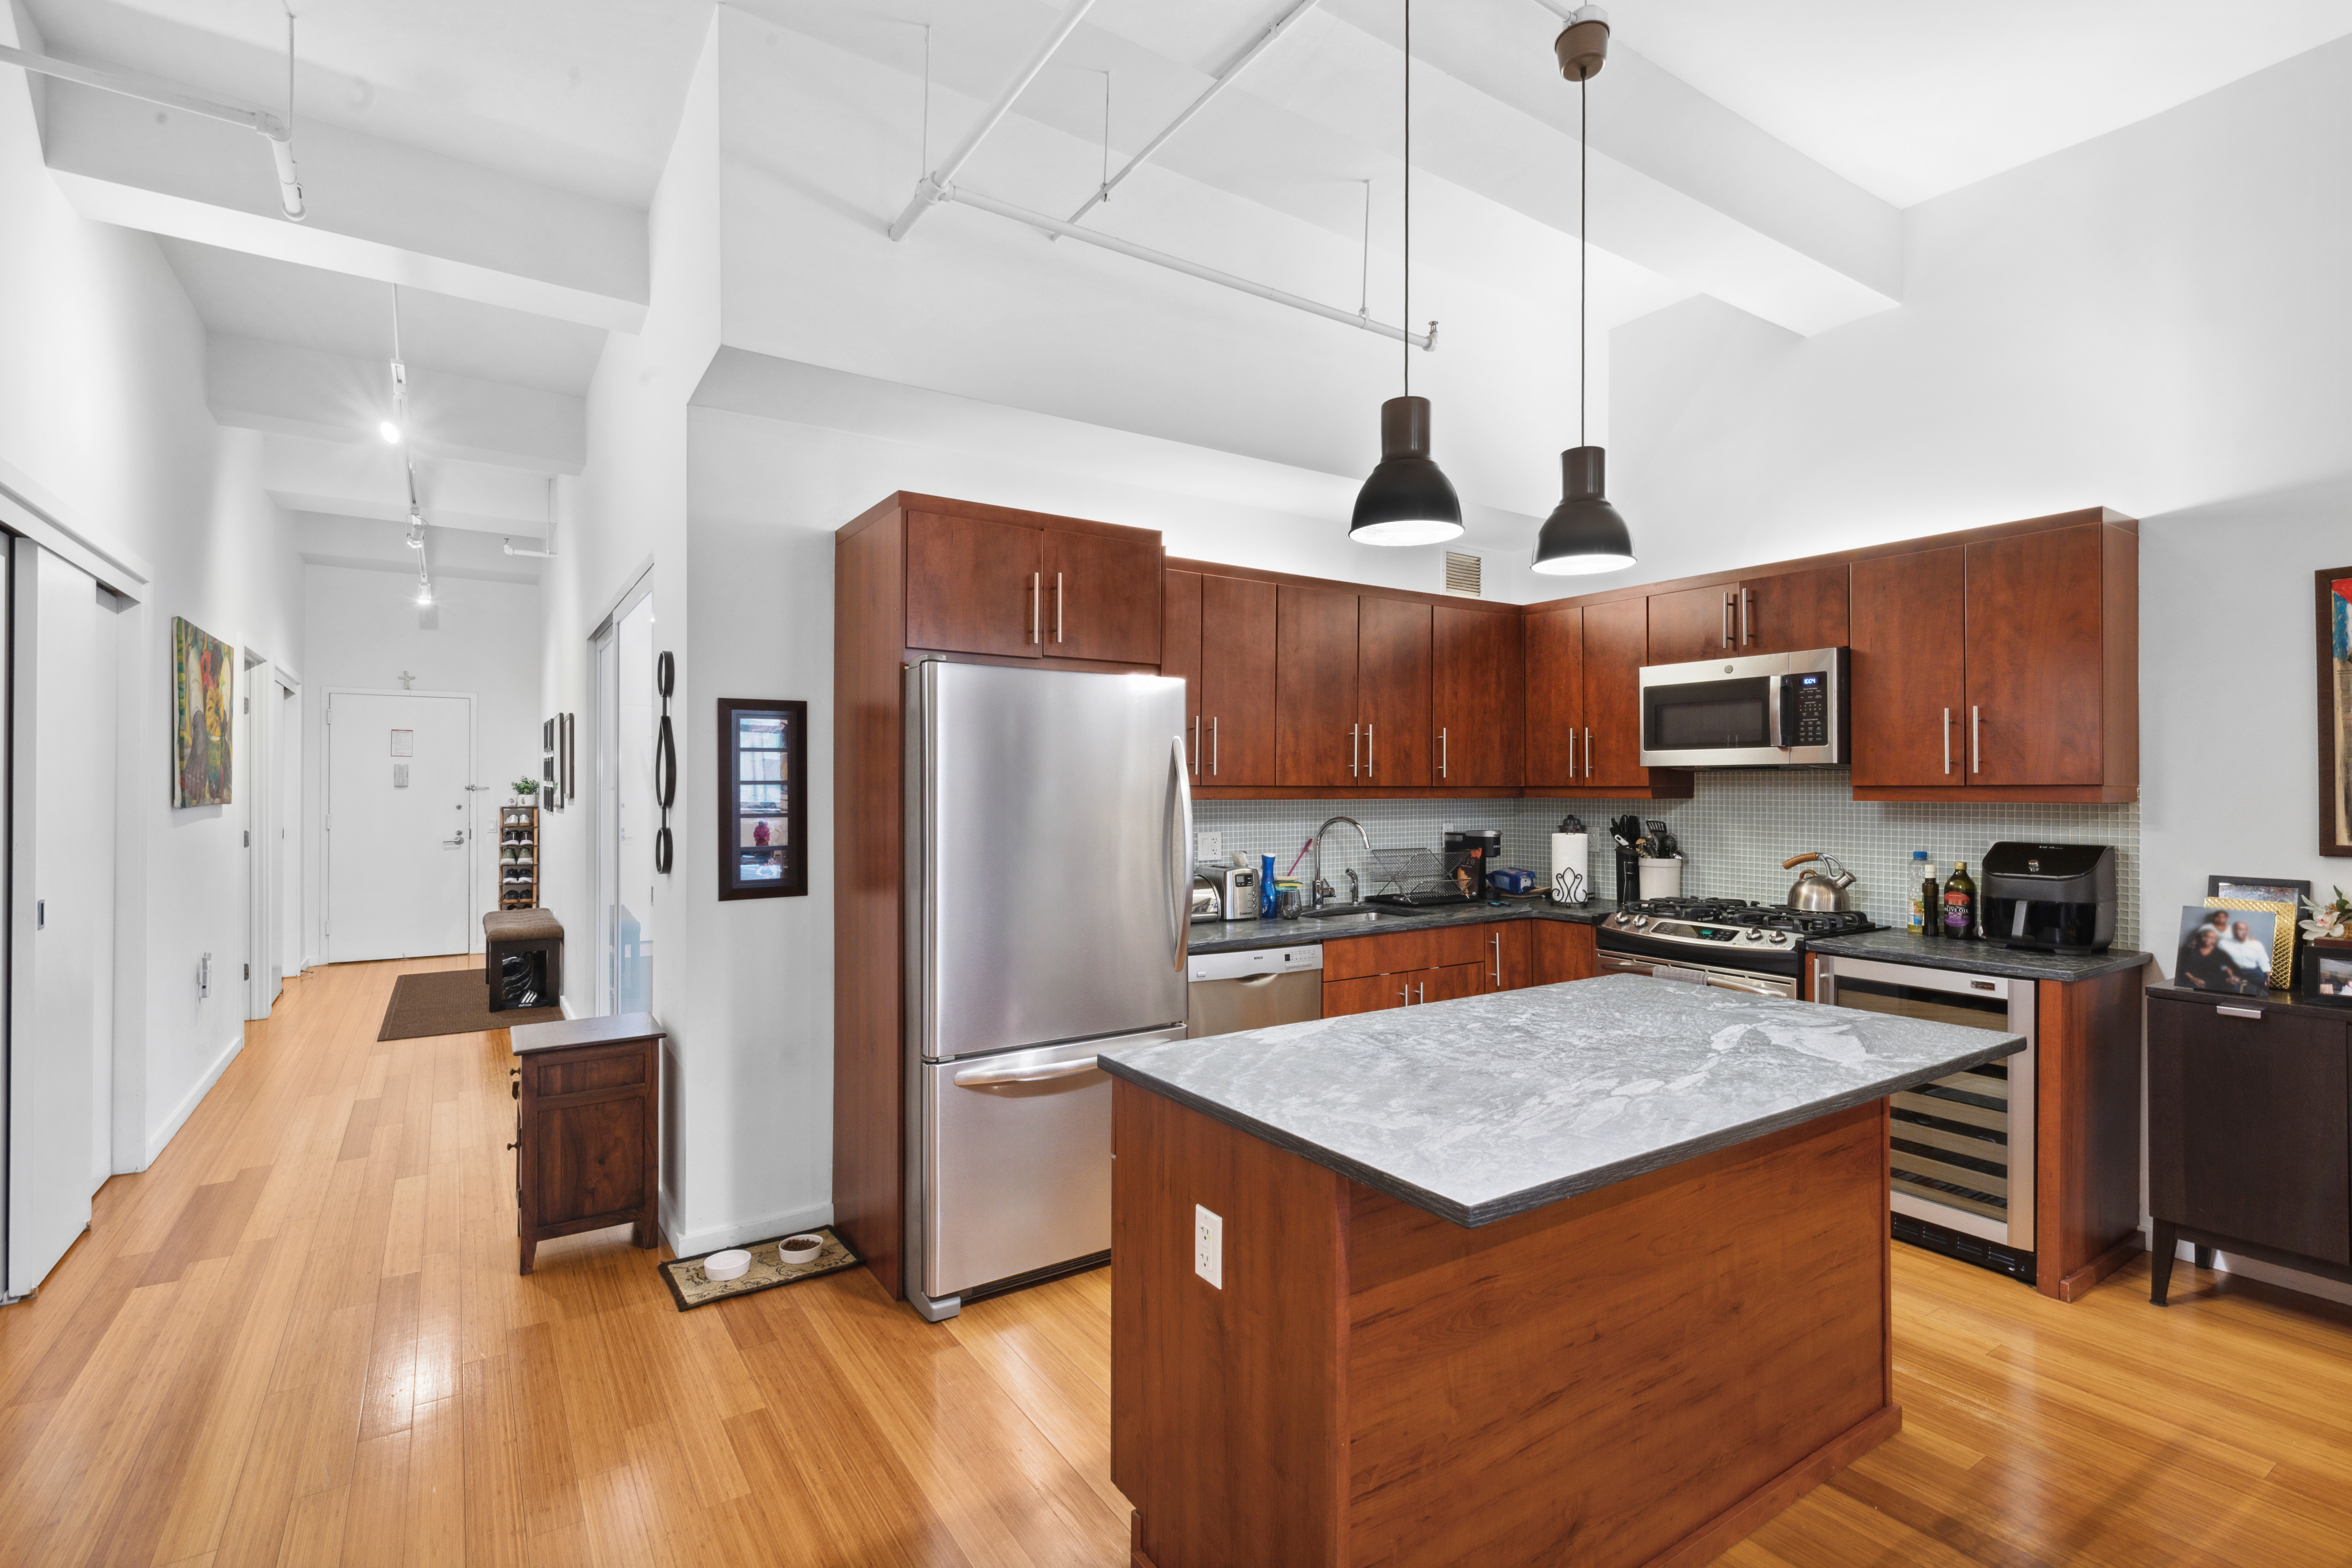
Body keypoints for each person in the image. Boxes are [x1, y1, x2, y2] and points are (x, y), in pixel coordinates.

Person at [2176, 926, 2240, 993]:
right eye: (2206, 937)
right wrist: (2193, 979)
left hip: (2213, 981)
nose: (2208, 940)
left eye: (2213, 938)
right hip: (2192, 979)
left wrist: (2231, 977)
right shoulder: (2190, 950)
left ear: (2216, 940)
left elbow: (2227, 966)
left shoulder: (2219, 953)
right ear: (2201, 937)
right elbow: (2183, 968)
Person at [2219, 918, 2272, 989]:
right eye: (2238, 929)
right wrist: (2231, 976)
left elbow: (2264, 962)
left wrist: (2268, 976)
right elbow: (2223, 963)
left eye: (2244, 929)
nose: (2241, 932)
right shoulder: (2223, 944)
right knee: (2233, 988)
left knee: (2269, 986)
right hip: (2234, 971)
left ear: (2247, 931)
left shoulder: (2256, 944)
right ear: (2233, 931)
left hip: (2253, 971)